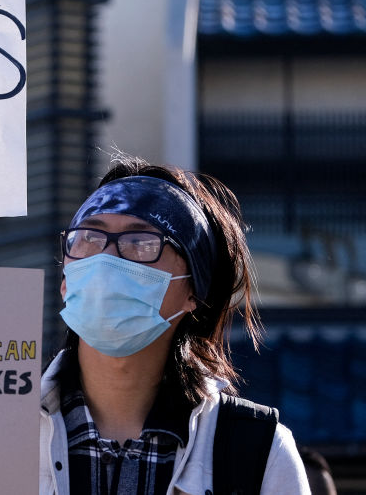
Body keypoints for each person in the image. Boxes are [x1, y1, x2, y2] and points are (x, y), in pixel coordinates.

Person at [39, 156, 311, 494]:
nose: (105, 260)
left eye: (141, 243)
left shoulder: (256, 451)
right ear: (65, 278)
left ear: (193, 290)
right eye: (89, 239)